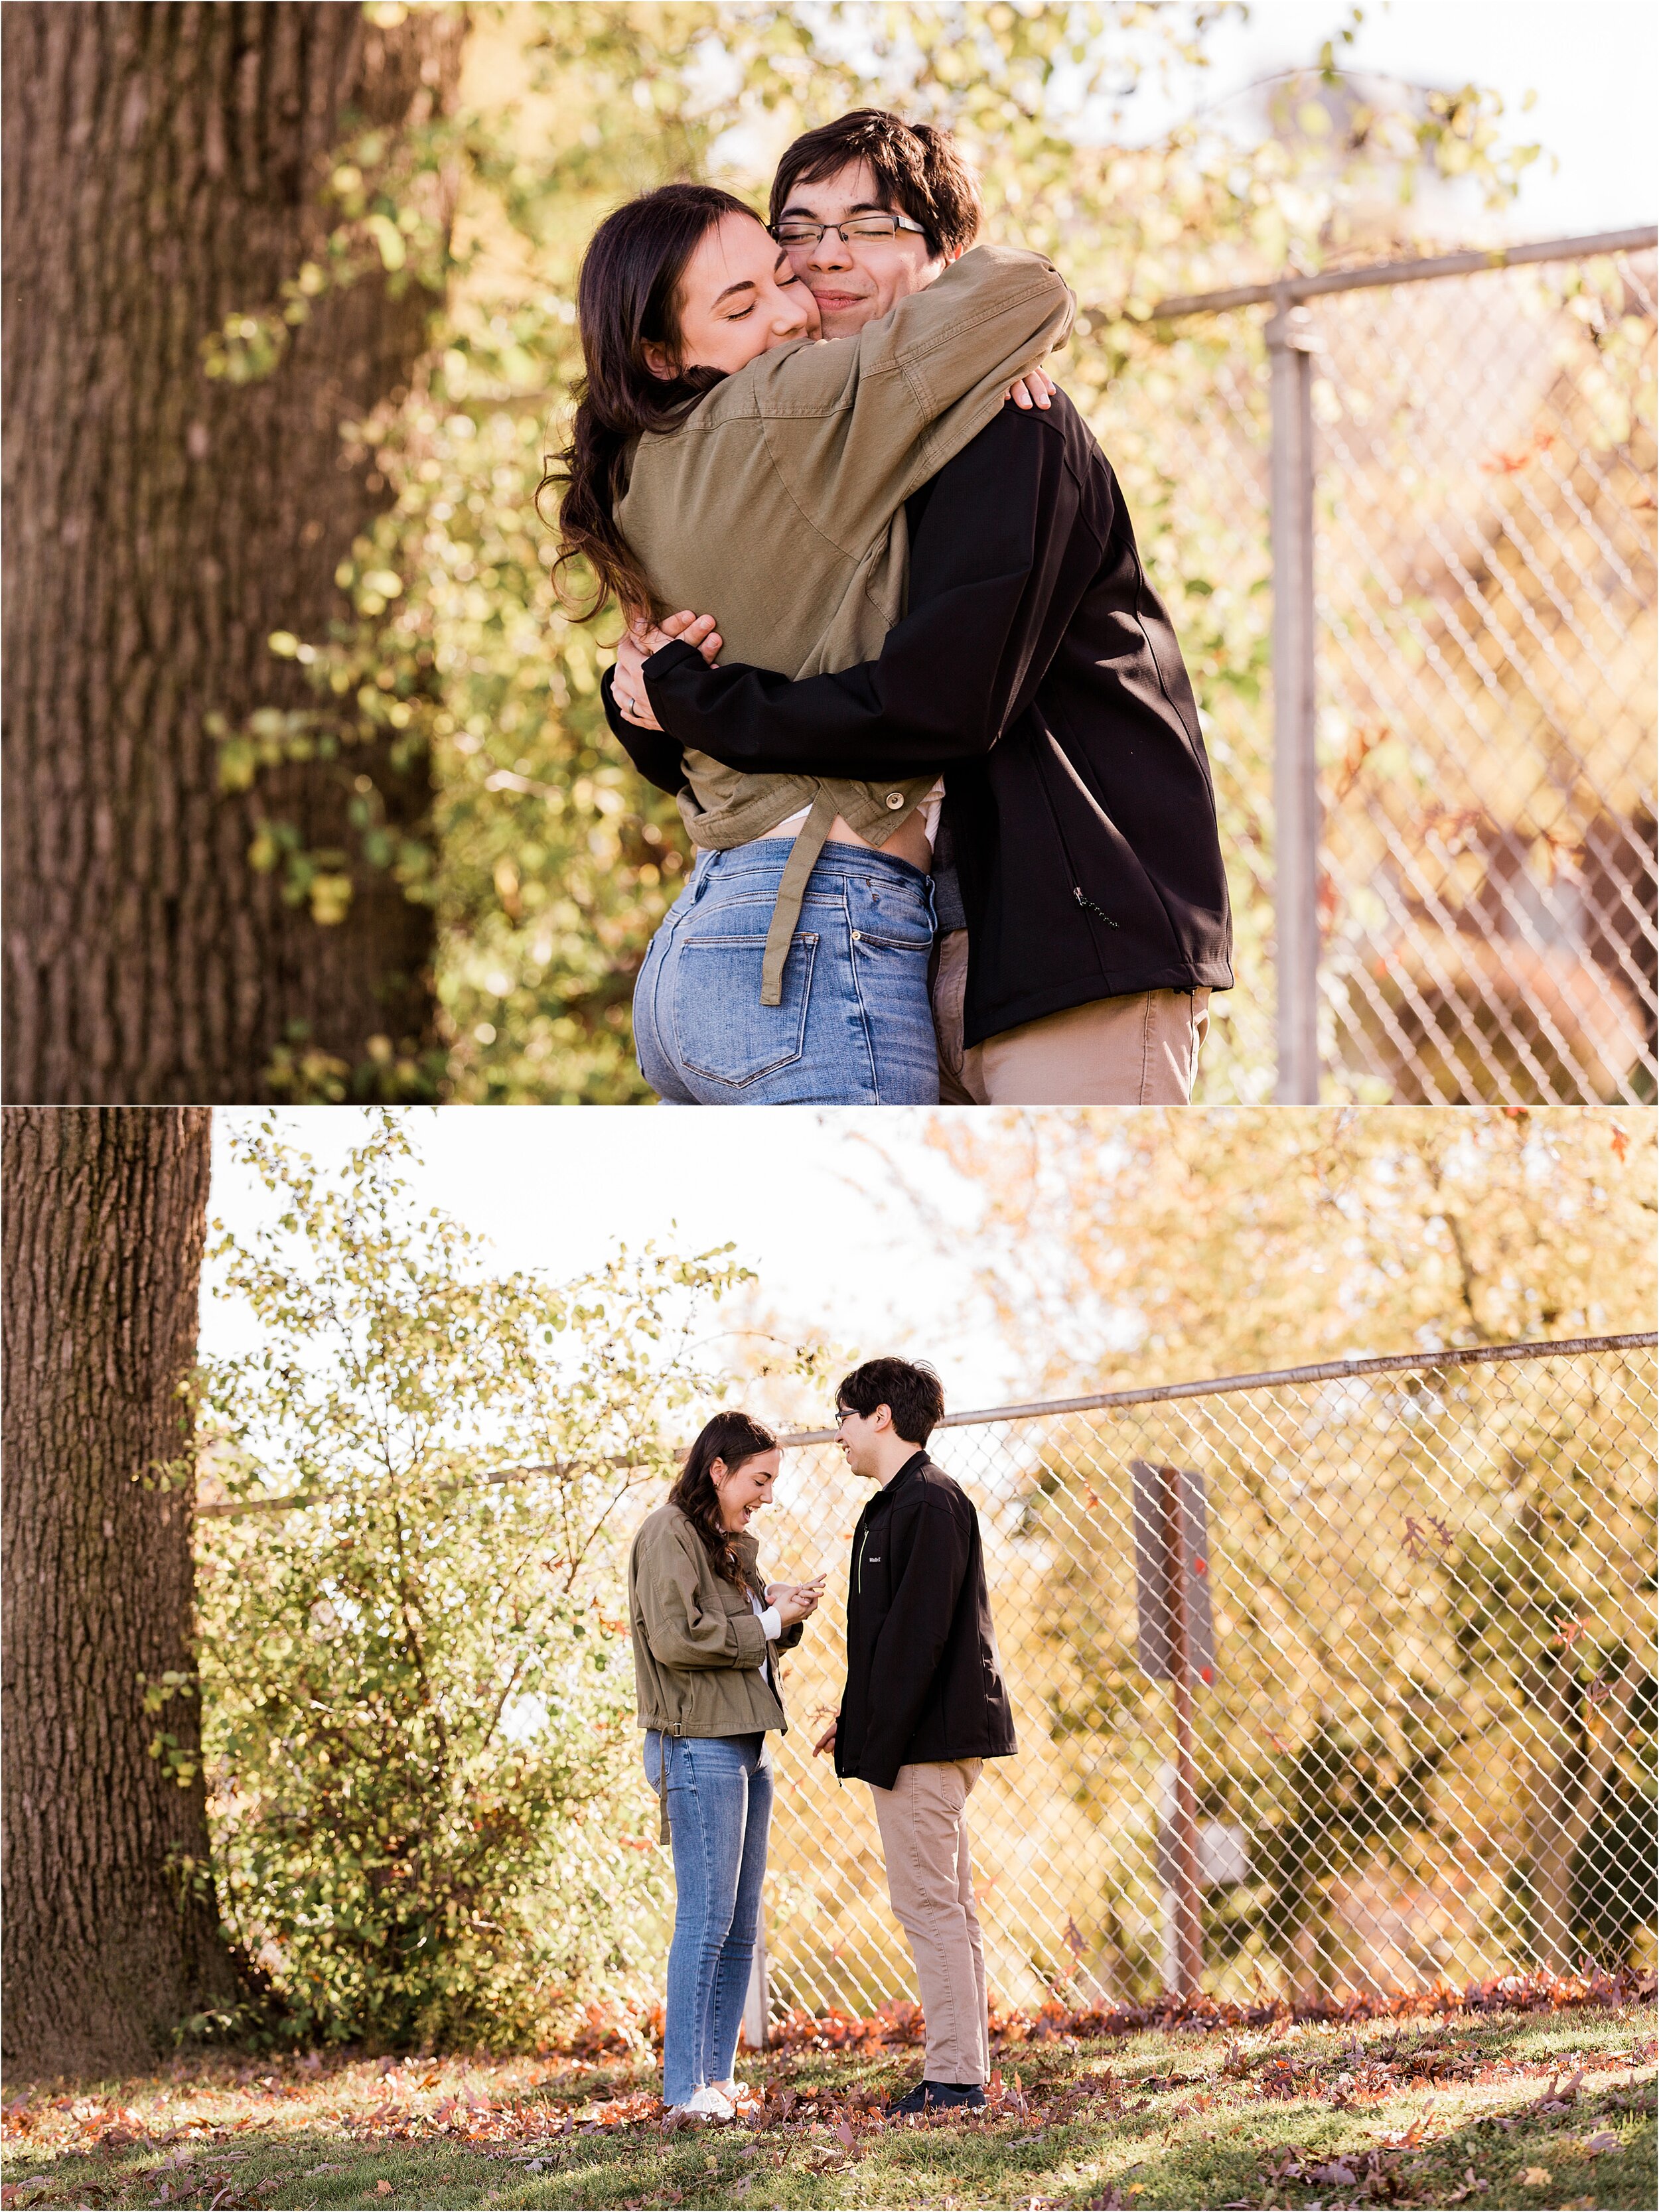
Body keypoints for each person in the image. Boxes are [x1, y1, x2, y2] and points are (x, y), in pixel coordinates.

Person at [608, 109, 1233, 1107]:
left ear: (945, 256)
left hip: (1066, 948)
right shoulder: (818, 456)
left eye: (870, 226)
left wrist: (696, 700)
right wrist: (640, 689)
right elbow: (728, 696)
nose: (825, 257)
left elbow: (942, 701)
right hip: (891, 940)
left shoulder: (1013, 429)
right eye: (799, 232)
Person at [553, 174, 1073, 1103]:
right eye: (743, 303)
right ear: (664, 354)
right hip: (812, 940)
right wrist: (988, 357)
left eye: (782, 277)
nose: (794, 312)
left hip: (704, 943)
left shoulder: (638, 467)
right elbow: (1025, 291)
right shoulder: (785, 412)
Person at [812, 1357, 1015, 2115]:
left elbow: (919, 1639)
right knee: (946, 1907)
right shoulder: (896, 1505)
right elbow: (885, 1640)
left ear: (881, 1418)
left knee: (929, 1907)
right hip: (912, 1735)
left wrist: (876, 1735)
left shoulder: (926, 1503)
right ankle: (963, 2070)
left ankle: (956, 2080)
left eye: (844, 1416)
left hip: (924, 1744)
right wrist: (851, 1716)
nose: (838, 1433)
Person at [628, 1412, 826, 2118]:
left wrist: (781, 1610)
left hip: (745, 1742)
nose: (768, 1494)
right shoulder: (667, 1533)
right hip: (697, 1744)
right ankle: (684, 2089)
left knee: (740, 1922)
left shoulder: (729, 1544)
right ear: (718, 1469)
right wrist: (765, 1623)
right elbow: (680, 1640)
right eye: (759, 1479)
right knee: (704, 1918)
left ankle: (715, 2080)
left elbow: (743, 1639)